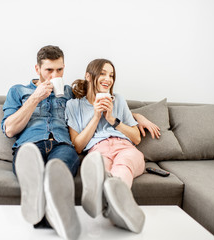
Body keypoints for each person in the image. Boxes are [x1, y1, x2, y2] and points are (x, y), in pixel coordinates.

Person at [65, 58, 160, 233]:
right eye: (102, 73)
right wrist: (96, 117)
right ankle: (114, 207)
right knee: (100, 167)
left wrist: (112, 120)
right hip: (98, 149)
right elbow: (77, 147)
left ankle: (105, 199)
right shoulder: (73, 105)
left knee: (123, 165)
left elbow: (137, 138)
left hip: (125, 148)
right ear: (88, 76)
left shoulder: (119, 100)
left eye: (111, 75)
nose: (108, 79)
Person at [1, 45, 81, 240]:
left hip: (62, 144)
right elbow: (10, 129)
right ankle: (52, 211)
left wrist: (137, 116)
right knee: (31, 161)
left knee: (58, 167)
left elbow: (100, 105)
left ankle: (40, 207)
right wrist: (35, 98)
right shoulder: (18, 90)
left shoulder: (70, 92)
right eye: (49, 70)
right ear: (37, 69)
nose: (55, 75)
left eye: (60, 70)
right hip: (30, 145)